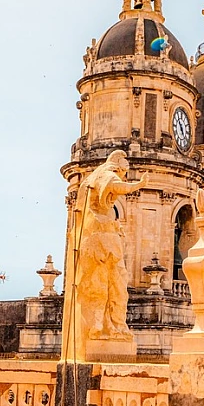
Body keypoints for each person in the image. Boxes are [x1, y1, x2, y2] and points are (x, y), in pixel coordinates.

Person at [64, 151, 148, 354]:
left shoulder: (103, 200)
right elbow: (115, 185)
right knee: (101, 287)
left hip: (104, 243)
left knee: (115, 288)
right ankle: (100, 325)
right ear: (118, 167)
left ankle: (113, 326)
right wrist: (137, 185)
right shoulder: (106, 173)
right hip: (98, 244)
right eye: (123, 173)